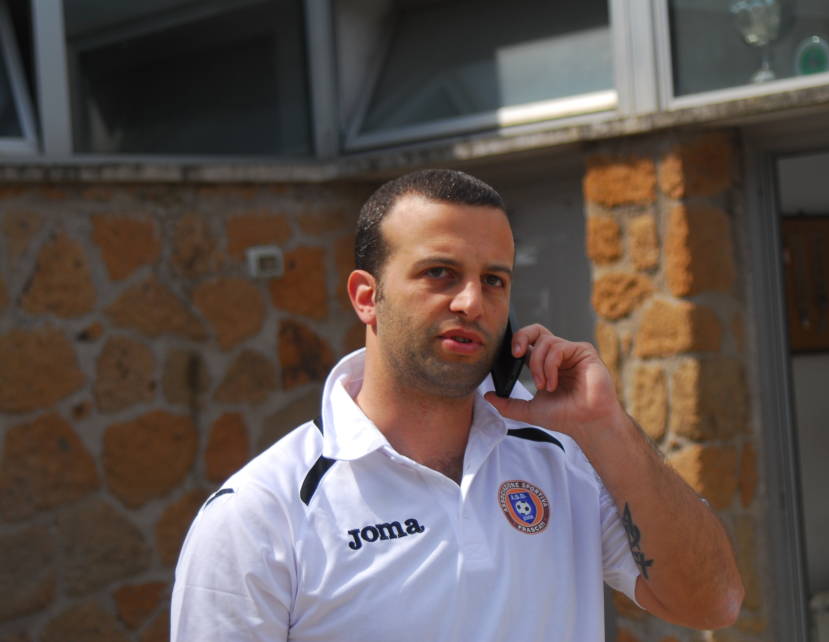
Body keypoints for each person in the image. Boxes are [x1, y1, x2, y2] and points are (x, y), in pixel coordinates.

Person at [171, 169, 744, 641]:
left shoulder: (567, 456)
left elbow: (714, 603)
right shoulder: (260, 514)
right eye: (440, 273)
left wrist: (607, 426)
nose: (471, 302)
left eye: (494, 280)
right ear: (367, 298)